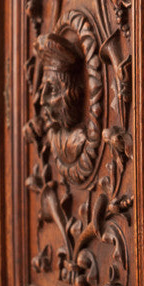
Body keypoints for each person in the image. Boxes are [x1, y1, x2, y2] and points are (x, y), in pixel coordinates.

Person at [34, 32, 91, 183]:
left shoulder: (81, 139)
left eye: (52, 90)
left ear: (71, 93)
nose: (42, 101)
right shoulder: (55, 136)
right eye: (43, 89)